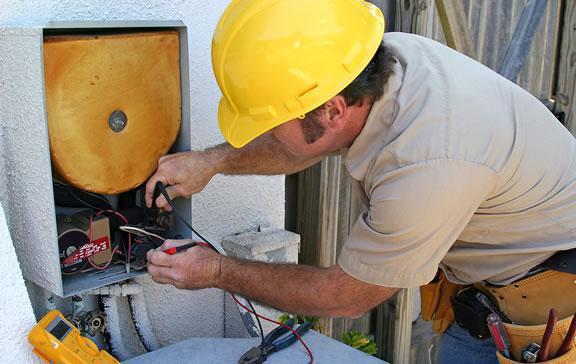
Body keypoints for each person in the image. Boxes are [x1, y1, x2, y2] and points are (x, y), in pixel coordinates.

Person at [145, 1, 576, 362]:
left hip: (548, 320)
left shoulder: (426, 164)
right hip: (487, 303)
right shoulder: (380, 61)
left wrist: (217, 269)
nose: (267, 133)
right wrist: (209, 162)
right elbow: (304, 141)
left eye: (272, 122)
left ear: (332, 109)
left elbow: (346, 295)